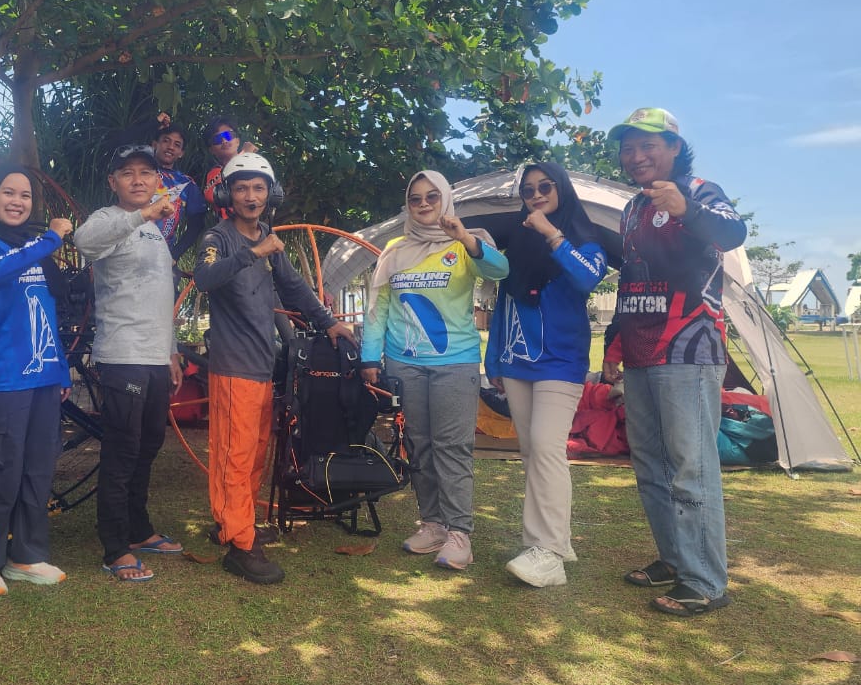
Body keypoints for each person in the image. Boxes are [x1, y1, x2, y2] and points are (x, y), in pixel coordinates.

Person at [601, 108, 746, 617]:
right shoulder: (631, 209)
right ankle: (674, 559)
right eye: (628, 148)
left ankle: (705, 581)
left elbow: (733, 234)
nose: (636, 156)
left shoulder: (701, 190)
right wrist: (614, 345)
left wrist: (687, 208)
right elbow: (631, 279)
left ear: (674, 148)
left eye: (648, 146)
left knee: (691, 468)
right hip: (640, 352)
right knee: (650, 465)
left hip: (688, 350)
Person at [193, 152, 353, 584]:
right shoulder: (218, 238)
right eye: (241, 188)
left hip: (262, 366)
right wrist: (253, 253)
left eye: (258, 188)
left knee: (253, 453)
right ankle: (240, 545)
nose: (251, 196)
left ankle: (234, 522)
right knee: (235, 455)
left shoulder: (268, 236)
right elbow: (204, 279)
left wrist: (329, 322)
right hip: (233, 367)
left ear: (271, 194)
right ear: (227, 195)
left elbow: (295, 288)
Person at [360, 170, 508, 570]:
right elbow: (378, 308)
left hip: (454, 363)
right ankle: (433, 524)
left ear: (445, 200)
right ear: (407, 205)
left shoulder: (467, 242)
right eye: (415, 199)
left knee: (452, 447)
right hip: (405, 364)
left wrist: (466, 239)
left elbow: (499, 271)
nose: (423, 204)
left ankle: (460, 533)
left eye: (431, 197)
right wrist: (370, 358)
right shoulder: (395, 250)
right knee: (419, 446)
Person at [484, 163, 607, 588]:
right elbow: (504, 302)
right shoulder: (517, 243)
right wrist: (494, 361)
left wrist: (552, 234)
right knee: (532, 451)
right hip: (515, 361)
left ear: (562, 190)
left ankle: (547, 552)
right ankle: (557, 540)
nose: (536, 195)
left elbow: (587, 278)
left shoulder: (584, 240)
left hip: (561, 361)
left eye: (545, 187)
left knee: (546, 446)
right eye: (528, 190)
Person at [0, 164, 74, 599]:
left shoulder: (34, 247)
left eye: (25, 195)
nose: (17, 201)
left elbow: (46, 312)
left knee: (38, 468)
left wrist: (60, 369)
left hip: (43, 375)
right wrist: (48, 241)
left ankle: (26, 555)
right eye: (8, 192)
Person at [74, 145, 185, 582]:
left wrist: (171, 351)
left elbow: (160, 297)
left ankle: (138, 531)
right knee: (122, 451)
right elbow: (84, 242)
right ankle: (115, 547)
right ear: (113, 182)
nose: (138, 180)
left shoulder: (156, 231)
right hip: (122, 355)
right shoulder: (108, 220)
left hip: (155, 358)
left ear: (157, 180)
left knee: (148, 446)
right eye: (127, 173)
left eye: (146, 173)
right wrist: (143, 214)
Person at [151, 123, 207, 263]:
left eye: (177, 145)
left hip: (161, 258)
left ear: (181, 153)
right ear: (155, 144)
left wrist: (175, 255)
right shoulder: (137, 171)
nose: (170, 147)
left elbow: (197, 224)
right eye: (166, 141)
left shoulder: (186, 184)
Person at [200, 115, 257, 219]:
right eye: (217, 139)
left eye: (228, 135)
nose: (224, 141)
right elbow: (211, 195)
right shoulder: (214, 173)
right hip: (227, 226)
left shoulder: (254, 165)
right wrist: (243, 156)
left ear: (237, 141)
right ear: (211, 150)